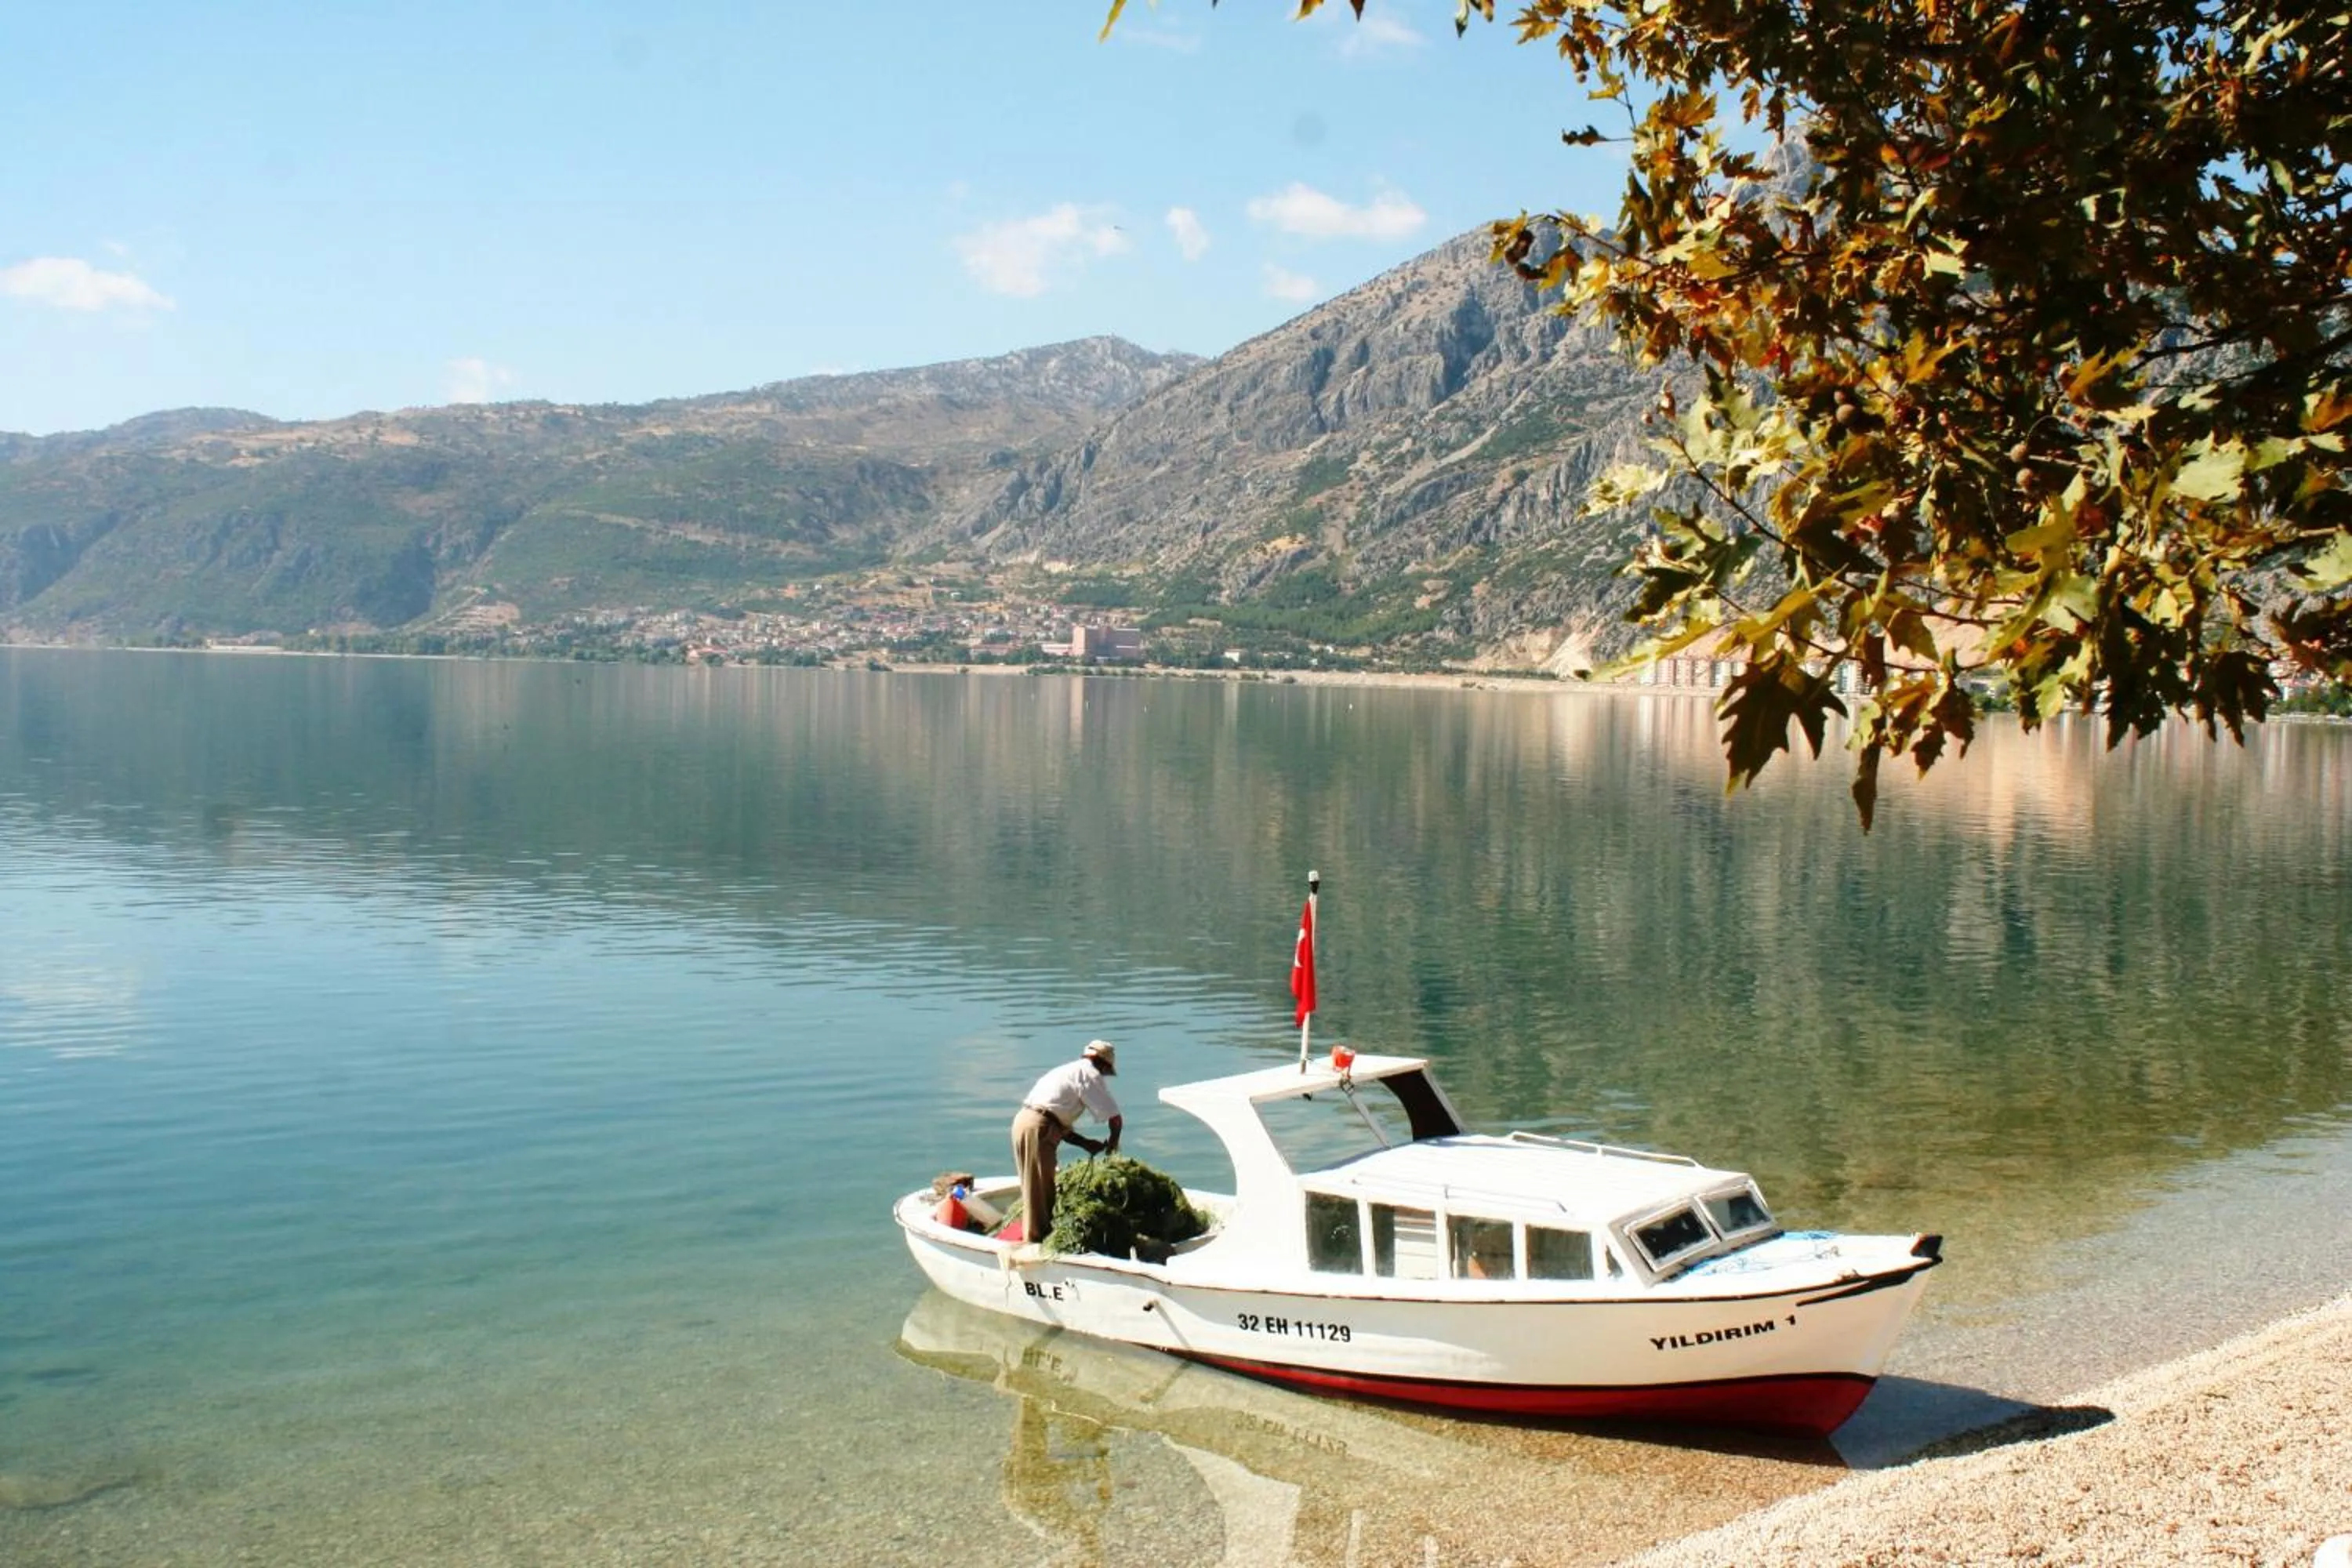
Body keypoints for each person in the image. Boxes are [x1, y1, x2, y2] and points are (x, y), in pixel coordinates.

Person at [1011, 1040, 1123, 1245]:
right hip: (1038, 1127)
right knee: (1041, 1191)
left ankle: (1036, 1235)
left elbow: (1056, 1120)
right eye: (1107, 1071)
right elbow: (1115, 1118)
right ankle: (1038, 1243)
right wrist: (1113, 1144)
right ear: (1103, 1064)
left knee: (1035, 1185)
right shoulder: (1090, 1073)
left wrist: (1086, 1143)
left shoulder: (1067, 1071)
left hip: (1026, 1123)